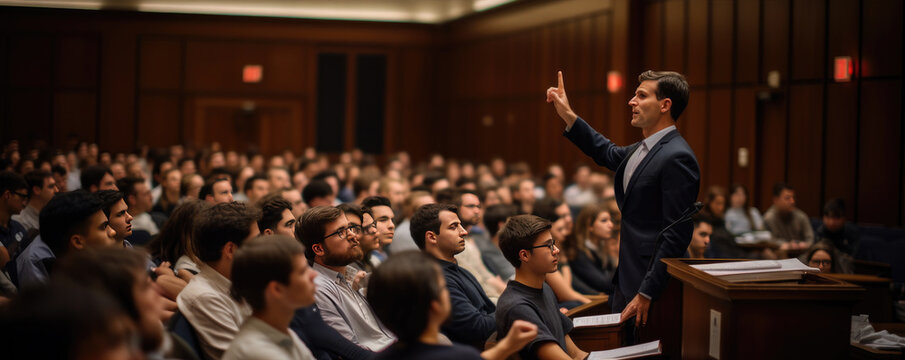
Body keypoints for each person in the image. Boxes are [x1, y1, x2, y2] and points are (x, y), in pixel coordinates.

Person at [548, 70, 701, 328]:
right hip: (627, 276)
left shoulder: (677, 157)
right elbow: (606, 152)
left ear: (665, 105)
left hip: (650, 284)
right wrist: (567, 115)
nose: (631, 101)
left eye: (641, 96)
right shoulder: (646, 148)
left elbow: (676, 235)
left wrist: (647, 292)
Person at [368, 251, 539, 360]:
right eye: (444, 287)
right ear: (435, 306)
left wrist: (507, 345)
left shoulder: (381, 357)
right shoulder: (460, 355)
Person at [295, 206, 395, 351]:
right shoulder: (319, 288)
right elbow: (348, 349)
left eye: (350, 228)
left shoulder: (348, 276)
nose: (353, 235)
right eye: (341, 232)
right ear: (318, 249)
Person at [495, 215, 587, 360]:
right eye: (548, 245)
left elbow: (576, 354)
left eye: (554, 243)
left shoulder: (545, 288)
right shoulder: (517, 307)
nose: (556, 250)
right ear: (524, 255)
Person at [176, 201, 259, 359]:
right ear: (231, 250)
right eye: (256, 242)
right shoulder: (205, 298)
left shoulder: (242, 280)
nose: (263, 248)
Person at [411, 203, 497, 349]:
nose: (463, 232)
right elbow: (477, 328)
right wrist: (511, 307)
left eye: (461, 225)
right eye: (453, 227)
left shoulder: (459, 270)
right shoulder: (437, 279)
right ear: (432, 237)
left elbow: (488, 312)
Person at [224, 235, 316, 360]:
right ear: (277, 289)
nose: (314, 274)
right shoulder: (257, 352)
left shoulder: (280, 329)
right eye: (303, 271)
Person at [764, 182, 814, 250]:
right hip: (778, 252)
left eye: (793, 197)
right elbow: (765, 240)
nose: (792, 201)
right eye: (787, 198)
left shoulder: (801, 216)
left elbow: (810, 238)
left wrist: (805, 244)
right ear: (776, 200)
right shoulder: (769, 218)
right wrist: (785, 244)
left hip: (800, 252)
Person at [12, 170, 57, 234]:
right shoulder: (21, 221)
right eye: (51, 186)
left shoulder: (53, 215)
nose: (56, 190)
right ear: (36, 190)